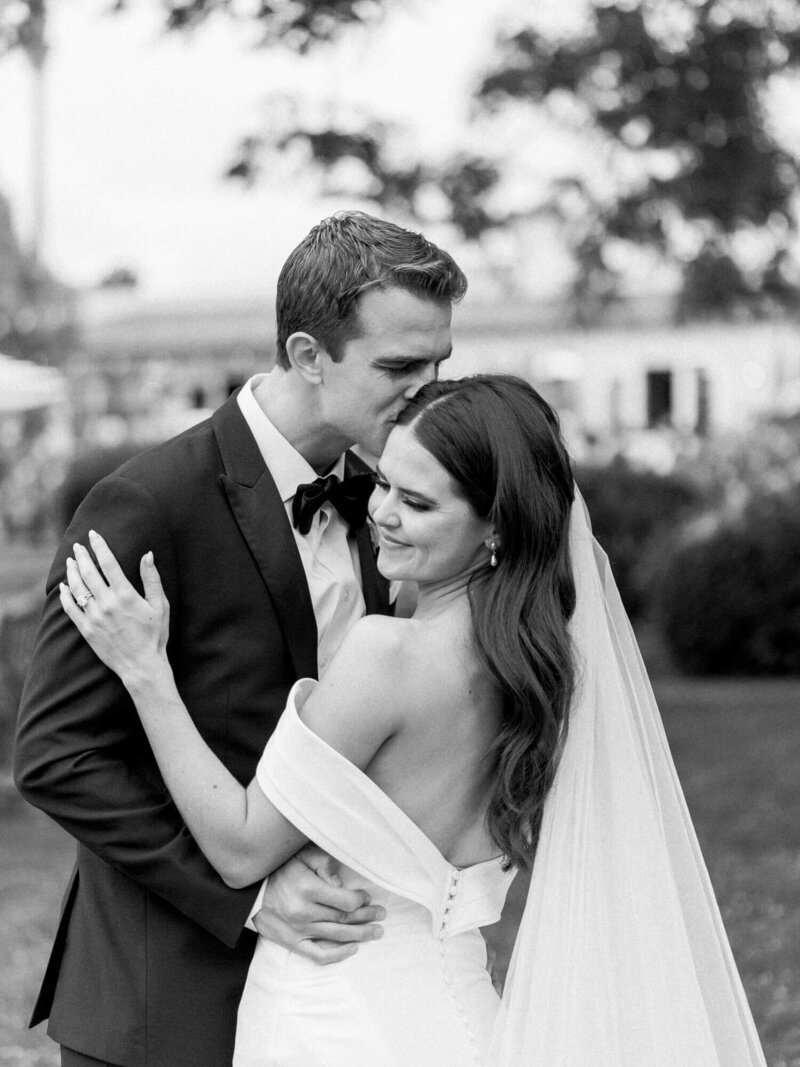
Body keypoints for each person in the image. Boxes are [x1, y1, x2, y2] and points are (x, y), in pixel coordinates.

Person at [59, 375, 767, 1066]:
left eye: (418, 502)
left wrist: (147, 673)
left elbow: (241, 846)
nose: (382, 514)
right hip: (461, 1010)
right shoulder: (543, 666)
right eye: (385, 484)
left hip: (336, 1019)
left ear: (495, 524)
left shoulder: (388, 656)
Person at [13, 211, 467, 1067]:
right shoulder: (146, 505)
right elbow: (59, 755)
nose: (427, 391)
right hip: (166, 999)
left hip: (340, 988)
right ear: (305, 354)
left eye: (439, 364)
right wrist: (252, 892)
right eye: (400, 366)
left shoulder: (396, 501)